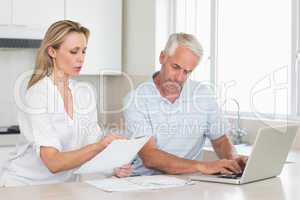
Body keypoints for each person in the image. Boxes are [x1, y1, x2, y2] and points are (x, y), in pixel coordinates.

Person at [0, 20, 131, 187]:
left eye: (84, 51)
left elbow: (90, 144)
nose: (81, 58)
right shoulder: (38, 94)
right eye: (74, 51)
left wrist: (113, 167)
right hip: (24, 187)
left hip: (64, 187)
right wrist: (100, 146)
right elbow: (53, 162)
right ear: (52, 51)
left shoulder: (85, 93)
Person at [123, 33, 247, 176]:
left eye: (187, 72)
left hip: (190, 182)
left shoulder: (202, 94)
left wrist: (234, 161)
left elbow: (220, 140)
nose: (179, 78)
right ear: (162, 57)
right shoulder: (136, 100)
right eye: (175, 67)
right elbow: (150, 157)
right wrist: (203, 167)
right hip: (146, 185)